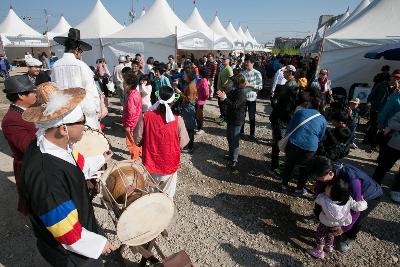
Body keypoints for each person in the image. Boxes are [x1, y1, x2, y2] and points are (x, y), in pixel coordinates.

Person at [20, 83, 115, 266]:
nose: (85, 127)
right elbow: (64, 229)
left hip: (77, 229)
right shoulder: (45, 176)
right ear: (64, 129)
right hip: (70, 252)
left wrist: (101, 158)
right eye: (82, 122)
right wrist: (99, 244)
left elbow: (75, 165)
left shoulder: (53, 145)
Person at [309, 156, 383, 253]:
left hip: (369, 195)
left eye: (319, 177)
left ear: (331, 173)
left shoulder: (352, 180)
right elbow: (319, 189)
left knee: (354, 217)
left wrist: (344, 228)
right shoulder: (326, 170)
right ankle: (324, 220)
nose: (317, 179)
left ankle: (349, 237)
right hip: (345, 189)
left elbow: (357, 208)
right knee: (325, 199)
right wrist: (319, 208)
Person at [134, 86, 189, 199]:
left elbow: (137, 139)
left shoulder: (146, 116)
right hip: (170, 163)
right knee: (167, 196)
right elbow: (183, 142)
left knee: (150, 194)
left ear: (158, 99)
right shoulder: (178, 120)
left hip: (150, 163)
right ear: (173, 101)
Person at [52, 28, 101, 130]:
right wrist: (96, 108)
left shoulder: (55, 65)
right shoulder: (81, 65)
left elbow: (54, 88)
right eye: (81, 51)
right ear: (77, 50)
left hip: (61, 113)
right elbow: (90, 90)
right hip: (81, 114)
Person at [1, 75, 37, 215]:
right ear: (21, 95)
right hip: (30, 167)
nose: (36, 94)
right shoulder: (11, 120)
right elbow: (29, 147)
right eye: (32, 91)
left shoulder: (28, 110)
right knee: (38, 206)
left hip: (38, 162)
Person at [307, 178, 368, 259]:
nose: (325, 187)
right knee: (331, 233)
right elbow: (358, 206)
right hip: (339, 223)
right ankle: (329, 246)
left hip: (325, 222)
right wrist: (364, 202)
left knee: (320, 234)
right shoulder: (348, 199)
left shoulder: (324, 199)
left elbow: (317, 198)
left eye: (328, 187)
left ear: (334, 193)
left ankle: (319, 251)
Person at [281, 96, 327, 196]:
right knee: (304, 169)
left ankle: (284, 185)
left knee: (289, 165)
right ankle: (299, 190)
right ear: (323, 107)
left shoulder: (300, 112)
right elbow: (320, 136)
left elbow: (289, 128)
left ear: (310, 103)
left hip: (294, 142)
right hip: (310, 147)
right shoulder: (323, 120)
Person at [269, 65, 299, 172]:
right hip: (282, 118)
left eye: (286, 72)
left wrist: (274, 105)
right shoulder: (290, 84)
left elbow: (285, 106)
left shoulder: (291, 86)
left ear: (290, 73)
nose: (284, 74)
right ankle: (275, 164)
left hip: (281, 119)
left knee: (277, 142)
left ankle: (274, 165)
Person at [217, 75, 247, 168]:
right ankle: (231, 156)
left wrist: (225, 98)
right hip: (231, 118)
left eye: (232, 82)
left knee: (234, 140)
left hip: (237, 120)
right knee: (229, 138)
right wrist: (222, 96)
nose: (230, 84)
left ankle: (234, 160)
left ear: (236, 83)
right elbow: (227, 101)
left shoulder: (241, 93)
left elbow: (234, 105)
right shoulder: (234, 91)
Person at [372, 110, 400, 203]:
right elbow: (391, 122)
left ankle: (397, 189)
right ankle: (374, 186)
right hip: (395, 144)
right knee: (383, 166)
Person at [241, 56, 263, 140]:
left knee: (252, 116)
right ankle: (241, 132)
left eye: (248, 62)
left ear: (252, 63)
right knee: (242, 115)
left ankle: (252, 134)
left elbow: (260, 87)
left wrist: (249, 85)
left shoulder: (257, 73)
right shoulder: (243, 73)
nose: (246, 63)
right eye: (246, 62)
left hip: (252, 99)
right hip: (243, 98)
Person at [176, 67, 198, 153]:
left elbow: (188, 99)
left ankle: (190, 147)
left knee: (190, 128)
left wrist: (179, 92)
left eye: (185, 74)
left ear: (189, 75)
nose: (183, 75)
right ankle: (188, 145)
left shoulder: (191, 86)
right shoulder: (190, 83)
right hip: (188, 108)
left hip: (189, 108)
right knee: (188, 127)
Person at [122, 72, 142, 160]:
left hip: (132, 124)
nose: (123, 84)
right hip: (137, 122)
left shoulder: (131, 97)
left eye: (124, 82)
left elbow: (131, 113)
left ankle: (134, 159)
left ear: (129, 85)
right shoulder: (135, 93)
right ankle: (139, 153)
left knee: (131, 142)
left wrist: (128, 126)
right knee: (137, 141)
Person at [216, 56, 234, 125]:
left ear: (229, 60)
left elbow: (232, 80)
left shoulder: (229, 69)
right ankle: (222, 116)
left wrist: (226, 88)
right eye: (223, 59)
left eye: (224, 59)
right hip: (220, 89)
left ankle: (226, 119)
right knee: (220, 104)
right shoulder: (223, 67)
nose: (223, 60)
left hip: (225, 89)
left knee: (224, 105)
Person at [196, 67, 210, 135]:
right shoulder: (200, 80)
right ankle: (198, 127)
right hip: (197, 100)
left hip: (200, 101)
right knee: (197, 115)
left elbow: (207, 93)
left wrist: (203, 99)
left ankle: (200, 128)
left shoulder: (204, 81)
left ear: (201, 74)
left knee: (199, 115)